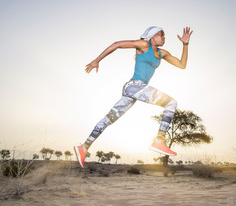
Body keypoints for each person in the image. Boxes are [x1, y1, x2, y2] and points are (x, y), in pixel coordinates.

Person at [74, 26, 193, 168]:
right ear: (152, 35)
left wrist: (185, 44)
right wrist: (96, 60)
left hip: (133, 92)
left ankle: (84, 148)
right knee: (171, 103)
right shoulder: (143, 45)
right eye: (161, 35)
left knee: (109, 119)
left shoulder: (163, 53)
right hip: (134, 86)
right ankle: (159, 141)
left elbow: (182, 65)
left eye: (164, 36)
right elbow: (117, 44)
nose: (164, 38)